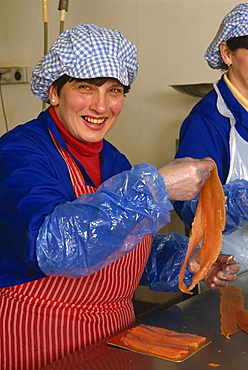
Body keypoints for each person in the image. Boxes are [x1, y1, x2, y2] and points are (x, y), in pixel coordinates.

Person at [0, 24, 239, 369]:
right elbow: (54, 247)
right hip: (41, 340)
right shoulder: (19, 154)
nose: (101, 106)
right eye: (85, 87)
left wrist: (187, 260)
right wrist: (158, 186)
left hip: (116, 340)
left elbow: (123, 247)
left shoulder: (112, 159)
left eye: (114, 90)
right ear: (54, 92)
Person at [175, 3, 248, 275]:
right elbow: (193, 212)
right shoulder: (207, 121)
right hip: (226, 276)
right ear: (227, 53)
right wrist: (243, 201)